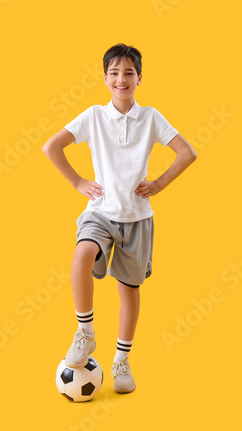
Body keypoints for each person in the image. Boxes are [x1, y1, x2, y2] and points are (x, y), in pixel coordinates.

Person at [42, 43, 196, 393]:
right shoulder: (94, 116)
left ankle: (121, 361)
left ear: (139, 78)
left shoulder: (151, 117)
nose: (121, 79)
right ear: (105, 78)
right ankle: (85, 332)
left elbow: (187, 152)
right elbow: (51, 146)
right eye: (114, 72)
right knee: (81, 256)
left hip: (137, 218)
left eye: (128, 72)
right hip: (101, 212)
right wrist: (78, 181)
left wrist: (158, 183)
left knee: (129, 290)